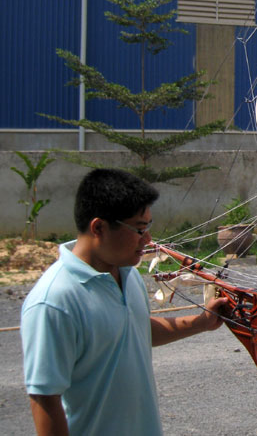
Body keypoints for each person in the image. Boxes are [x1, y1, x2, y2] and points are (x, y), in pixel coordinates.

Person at [21, 168, 227, 436]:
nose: (148, 240)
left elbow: (133, 329)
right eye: (139, 229)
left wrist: (200, 323)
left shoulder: (127, 273)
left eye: (148, 227)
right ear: (99, 228)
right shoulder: (54, 302)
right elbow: (45, 398)